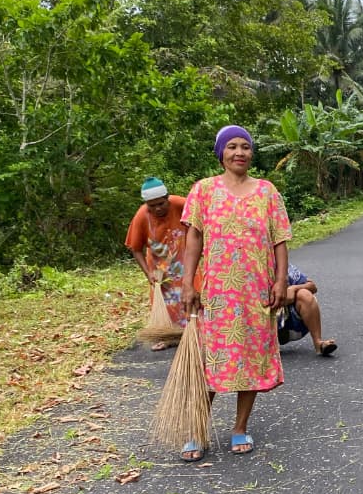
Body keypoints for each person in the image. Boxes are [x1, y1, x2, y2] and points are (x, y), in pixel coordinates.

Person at [180, 125, 292, 460]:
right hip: (217, 293)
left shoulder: (267, 192)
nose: (239, 152)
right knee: (209, 361)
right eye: (232, 147)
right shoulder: (203, 191)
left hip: (255, 291)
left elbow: (280, 240)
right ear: (221, 153)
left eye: (245, 146)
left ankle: (240, 427)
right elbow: (194, 239)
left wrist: (281, 280)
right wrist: (188, 282)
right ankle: (198, 428)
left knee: (249, 357)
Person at [124, 177, 195, 350]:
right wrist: (148, 272)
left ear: (167, 198)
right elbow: (135, 248)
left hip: (185, 265)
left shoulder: (180, 204)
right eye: (152, 205)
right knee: (167, 303)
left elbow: (199, 221)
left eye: (161, 203)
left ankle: (193, 334)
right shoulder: (142, 216)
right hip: (160, 271)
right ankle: (169, 336)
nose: (157, 208)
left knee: (192, 299)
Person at [276, 262, 337, 357]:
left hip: (291, 325)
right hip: (260, 328)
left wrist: (294, 288)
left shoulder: (280, 265)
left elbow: (312, 286)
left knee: (304, 294)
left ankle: (318, 343)